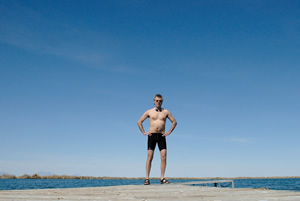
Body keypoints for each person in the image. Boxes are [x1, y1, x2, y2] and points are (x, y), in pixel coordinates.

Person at [137, 94, 177, 185]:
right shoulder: (149, 112)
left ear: (162, 101)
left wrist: (169, 132)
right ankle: (147, 179)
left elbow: (174, 122)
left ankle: (162, 178)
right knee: (150, 157)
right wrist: (143, 132)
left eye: (160, 100)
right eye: (157, 100)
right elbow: (139, 121)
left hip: (162, 136)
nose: (158, 102)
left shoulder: (166, 112)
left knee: (164, 157)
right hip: (152, 135)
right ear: (154, 101)